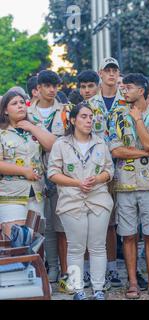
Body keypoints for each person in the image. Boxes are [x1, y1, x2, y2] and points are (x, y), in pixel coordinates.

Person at [108, 73, 149, 299]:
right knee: (128, 234)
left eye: (129, 87)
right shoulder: (116, 116)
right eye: (123, 87)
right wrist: (146, 153)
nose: (124, 90)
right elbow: (116, 150)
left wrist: (139, 120)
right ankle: (132, 282)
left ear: (142, 90)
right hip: (124, 183)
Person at [48, 102, 114, 300]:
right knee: (75, 247)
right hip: (71, 201)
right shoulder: (61, 144)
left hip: (99, 200)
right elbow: (52, 173)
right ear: (73, 120)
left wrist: (98, 179)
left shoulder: (101, 142)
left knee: (97, 246)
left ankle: (98, 289)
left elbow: (109, 170)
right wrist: (77, 183)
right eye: (84, 116)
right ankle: (78, 290)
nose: (89, 120)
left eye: (90, 116)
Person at [77, 69, 123, 288]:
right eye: (83, 87)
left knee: (110, 224)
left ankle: (112, 269)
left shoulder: (116, 102)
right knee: (85, 223)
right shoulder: (76, 111)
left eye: (90, 86)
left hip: (111, 169)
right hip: (83, 174)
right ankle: (86, 271)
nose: (86, 91)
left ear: (97, 86)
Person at [27, 70, 70, 287]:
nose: (52, 90)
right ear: (39, 88)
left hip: (58, 173)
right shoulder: (27, 111)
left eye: (55, 86)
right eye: (48, 86)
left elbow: (57, 144)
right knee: (42, 225)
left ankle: (64, 271)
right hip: (33, 174)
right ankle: (50, 267)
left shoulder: (64, 111)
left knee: (59, 224)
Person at [0, 90, 55, 237]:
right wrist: (24, 171)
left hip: (36, 194)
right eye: (14, 103)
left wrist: (32, 128)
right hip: (11, 195)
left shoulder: (35, 126)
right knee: (15, 244)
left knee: (36, 247)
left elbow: (52, 145)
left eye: (22, 103)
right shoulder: (1, 132)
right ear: (5, 110)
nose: (20, 106)